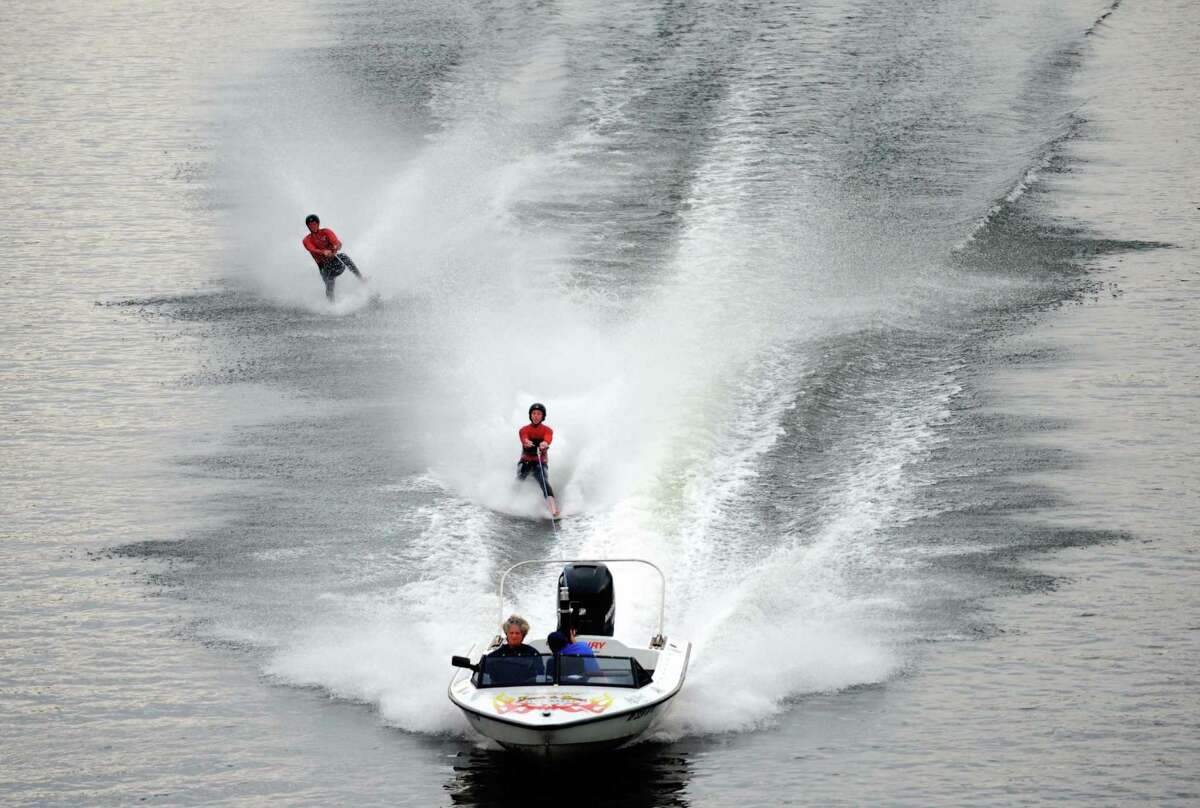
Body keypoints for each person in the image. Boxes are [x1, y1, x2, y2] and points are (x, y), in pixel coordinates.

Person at [302, 213, 366, 301]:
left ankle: (361, 279)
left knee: (343, 256)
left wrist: (336, 246)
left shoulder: (326, 232)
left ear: (318, 224)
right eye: (310, 225)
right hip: (324, 267)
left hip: (335, 262)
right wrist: (323, 252)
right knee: (329, 284)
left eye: (314, 224)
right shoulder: (307, 240)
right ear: (308, 227)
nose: (313, 226)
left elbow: (335, 241)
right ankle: (331, 307)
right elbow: (312, 249)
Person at [517, 402, 559, 518]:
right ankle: (510, 498)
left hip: (540, 461)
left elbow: (548, 438)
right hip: (526, 460)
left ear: (543, 416)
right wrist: (527, 442)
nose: (536, 416)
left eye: (539, 414)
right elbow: (524, 437)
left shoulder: (547, 430)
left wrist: (544, 443)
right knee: (520, 477)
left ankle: (552, 507)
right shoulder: (523, 430)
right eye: (533, 413)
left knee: (543, 480)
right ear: (530, 415)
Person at [484, 615, 544, 685]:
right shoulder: (495, 655)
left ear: (523, 635)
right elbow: (485, 676)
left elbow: (540, 676)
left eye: (517, 633)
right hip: (499, 693)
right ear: (507, 634)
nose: (514, 636)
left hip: (526, 692)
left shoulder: (533, 654)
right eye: (511, 633)